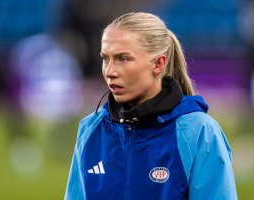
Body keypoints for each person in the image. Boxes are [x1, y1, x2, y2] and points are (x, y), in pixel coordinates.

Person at [64, 12, 237, 200]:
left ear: (158, 64)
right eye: (106, 58)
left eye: (123, 58)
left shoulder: (199, 131)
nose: (110, 71)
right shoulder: (91, 130)